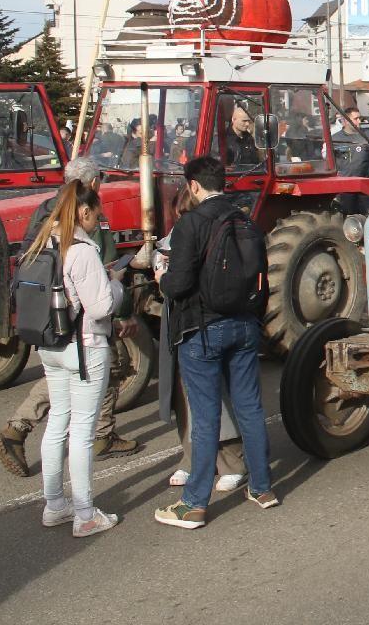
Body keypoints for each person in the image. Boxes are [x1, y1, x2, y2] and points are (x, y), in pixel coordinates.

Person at [0, 158, 141, 477]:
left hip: (46, 312)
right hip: (80, 318)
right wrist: (124, 308)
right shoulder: (85, 218)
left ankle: (29, 434)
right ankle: (94, 438)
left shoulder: (46, 209)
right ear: (93, 185)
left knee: (66, 377)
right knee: (103, 367)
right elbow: (107, 269)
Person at [155, 157, 278, 529]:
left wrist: (161, 276)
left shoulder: (190, 224)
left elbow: (177, 285)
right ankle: (262, 488)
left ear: (193, 186)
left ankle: (193, 504)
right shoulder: (246, 220)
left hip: (202, 330)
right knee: (251, 409)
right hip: (243, 325)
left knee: (205, 417)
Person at [28, 180, 125, 537]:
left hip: (50, 345)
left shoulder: (44, 242)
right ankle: (85, 514)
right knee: (82, 432)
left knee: (57, 422)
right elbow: (101, 307)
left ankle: (54, 504)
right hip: (84, 348)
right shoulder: (81, 250)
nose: (97, 223)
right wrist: (115, 283)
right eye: (96, 217)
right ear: (83, 212)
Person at [156, 185, 250, 493]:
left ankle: (232, 460)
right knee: (185, 396)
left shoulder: (214, 232)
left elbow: (181, 281)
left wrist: (165, 279)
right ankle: (194, 457)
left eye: (186, 214)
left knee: (216, 395)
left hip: (206, 322)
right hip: (181, 322)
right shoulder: (177, 236)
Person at [330, 106, 369, 215]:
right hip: (346, 189)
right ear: (345, 120)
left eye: (359, 118)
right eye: (356, 119)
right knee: (348, 220)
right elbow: (330, 163)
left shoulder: (366, 137)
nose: (359, 121)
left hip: (365, 188)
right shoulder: (335, 139)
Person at [225, 104, 262, 168]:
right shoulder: (223, 138)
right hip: (233, 176)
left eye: (248, 121)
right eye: (244, 121)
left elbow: (257, 161)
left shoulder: (249, 138)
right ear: (233, 120)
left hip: (253, 175)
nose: (247, 124)